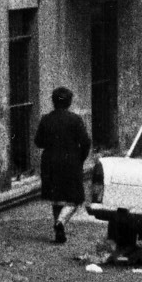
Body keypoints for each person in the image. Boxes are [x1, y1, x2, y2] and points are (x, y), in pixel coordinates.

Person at [33, 87, 92, 244]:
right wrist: (81, 158)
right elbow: (86, 142)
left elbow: (38, 142)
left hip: (50, 162)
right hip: (71, 161)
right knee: (76, 198)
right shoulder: (75, 120)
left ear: (53, 101)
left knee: (56, 197)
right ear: (69, 102)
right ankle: (60, 223)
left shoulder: (46, 119)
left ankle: (58, 227)